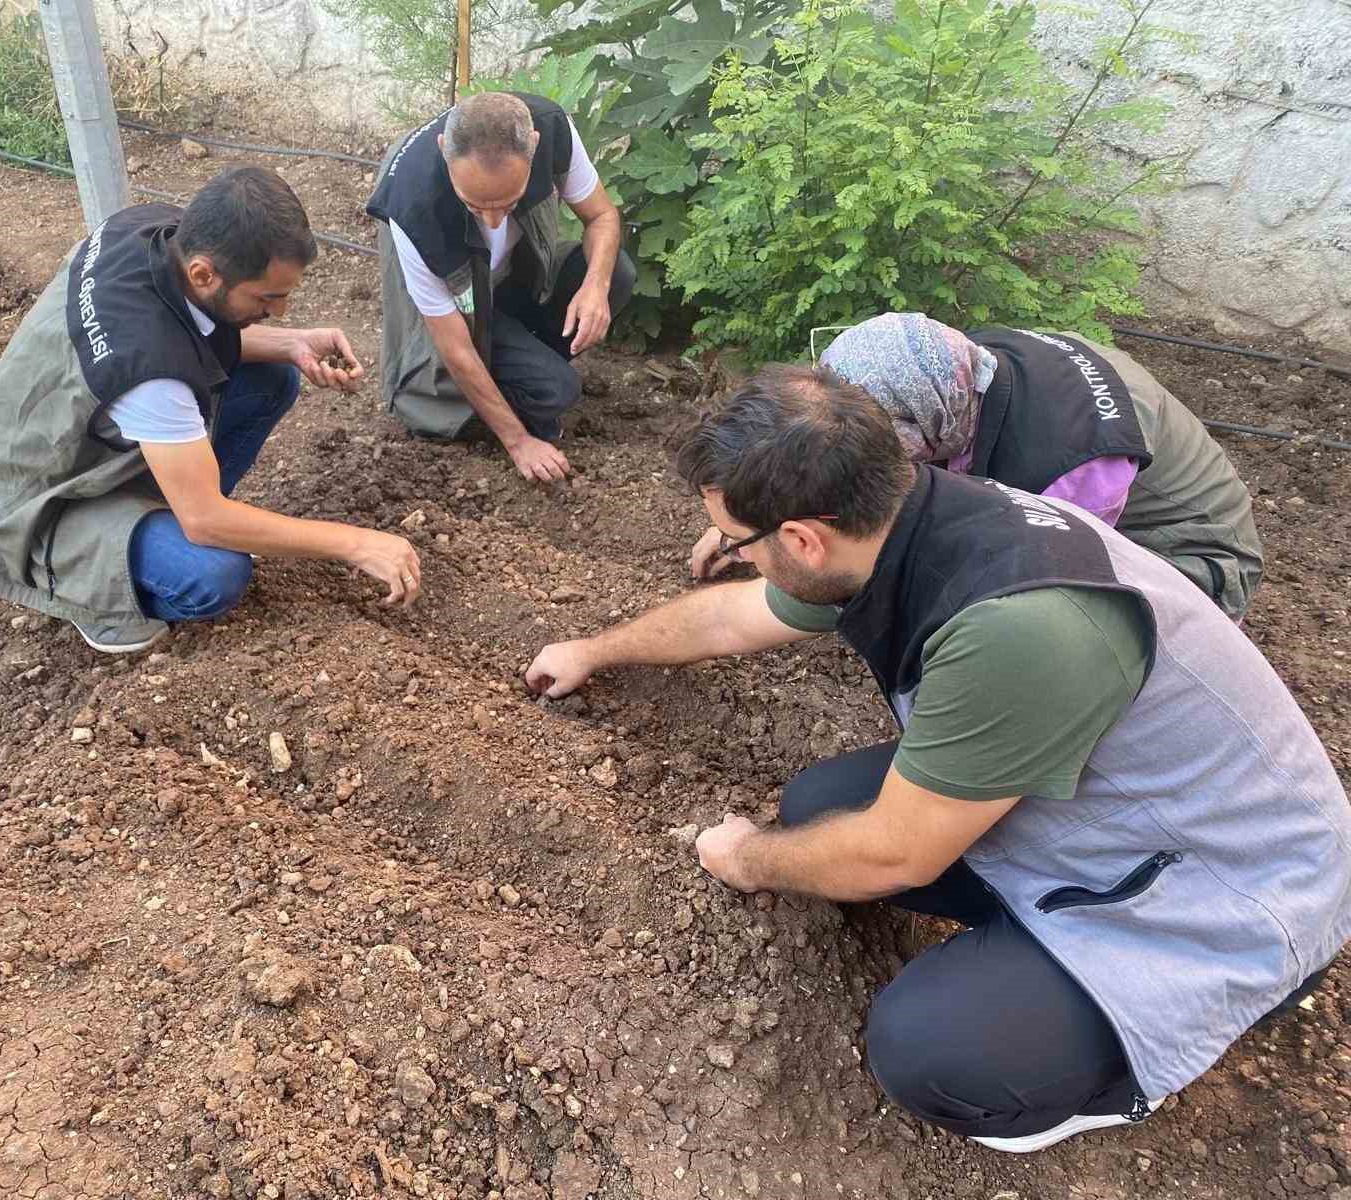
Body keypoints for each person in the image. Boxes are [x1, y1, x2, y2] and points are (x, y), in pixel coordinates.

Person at [526, 365, 1351, 1152]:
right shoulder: (908, 519)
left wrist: (745, 858)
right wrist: (596, 650)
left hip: (1230, 894)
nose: (734, 553)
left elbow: (893, 852)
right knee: (822, 808)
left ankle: (1122, 1069)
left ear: (805, 540)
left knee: (928, 1051)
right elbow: (731, 619)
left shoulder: (1014, 625)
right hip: (1116, 810)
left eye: (740, 540)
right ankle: (1024, 947)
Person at [0, 167, 422, 654]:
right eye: (268, 297)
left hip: (58, 439)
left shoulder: (150, 231)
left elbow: (184, 331)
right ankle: (95, 601)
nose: (282, 310)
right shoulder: (148, 368)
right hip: (38, 505)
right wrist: (356, 543)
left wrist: (291, 344)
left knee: (272, 376)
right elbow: (204, 519)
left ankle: (161, 512)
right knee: (213, 574)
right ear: (204, 273)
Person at [690, 314, 1264, 619]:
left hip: (1193, 563)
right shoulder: (957, 367)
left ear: (922, 429)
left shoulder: (1076, 466)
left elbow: (1053, 576)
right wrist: (752, 515)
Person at [366, 90, 636, 483]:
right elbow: (454, 344)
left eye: (508, 204)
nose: (493, 224)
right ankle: (512, 389)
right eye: (475, 207)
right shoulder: (412, 204)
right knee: (555, 390)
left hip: (515, 279)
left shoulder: (550, 127)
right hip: (466, 307)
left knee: (619, 273)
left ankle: (526, 366)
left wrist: (595, 286)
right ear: (444, 150)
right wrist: (518, 442)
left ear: (534, 147)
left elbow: (602, 216)